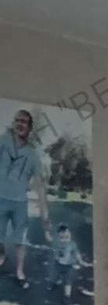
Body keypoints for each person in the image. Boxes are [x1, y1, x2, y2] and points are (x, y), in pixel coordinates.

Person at [0, 108, 48, 291]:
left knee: (21, 240)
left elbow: (40, 185)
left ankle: (20, 272)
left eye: (24, 122)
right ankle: (1, 253)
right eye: (17, 120)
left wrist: (45, 215)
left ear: (30, 128)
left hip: (19, 203)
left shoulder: (32, 154)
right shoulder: (3, 142)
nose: (20, 124)